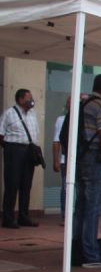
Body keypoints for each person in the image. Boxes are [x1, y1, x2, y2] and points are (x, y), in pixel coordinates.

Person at [73, 74, 101, 268]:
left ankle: (77, 249)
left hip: (80, 158)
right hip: (94, 158)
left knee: (81, 206)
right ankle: (92, 254)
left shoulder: (83, 104)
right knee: (93, 208)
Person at [0, 88, 41, 228]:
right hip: (14, 150)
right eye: (29, 98)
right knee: (12, 184)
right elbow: (1, 134)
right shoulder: (9, 113)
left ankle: (24, 216)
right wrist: (10, 147)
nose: (32, 100)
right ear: (20, 99)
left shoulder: (32, 114)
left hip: (29, 151)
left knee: (26, 185)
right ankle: (8, 218)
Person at [52, 98, 69, 223]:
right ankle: (65, 215)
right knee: (65, 188)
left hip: (82, 161)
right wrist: (56, 160)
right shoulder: (61, 120)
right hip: (65, 160)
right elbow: (56, 141)